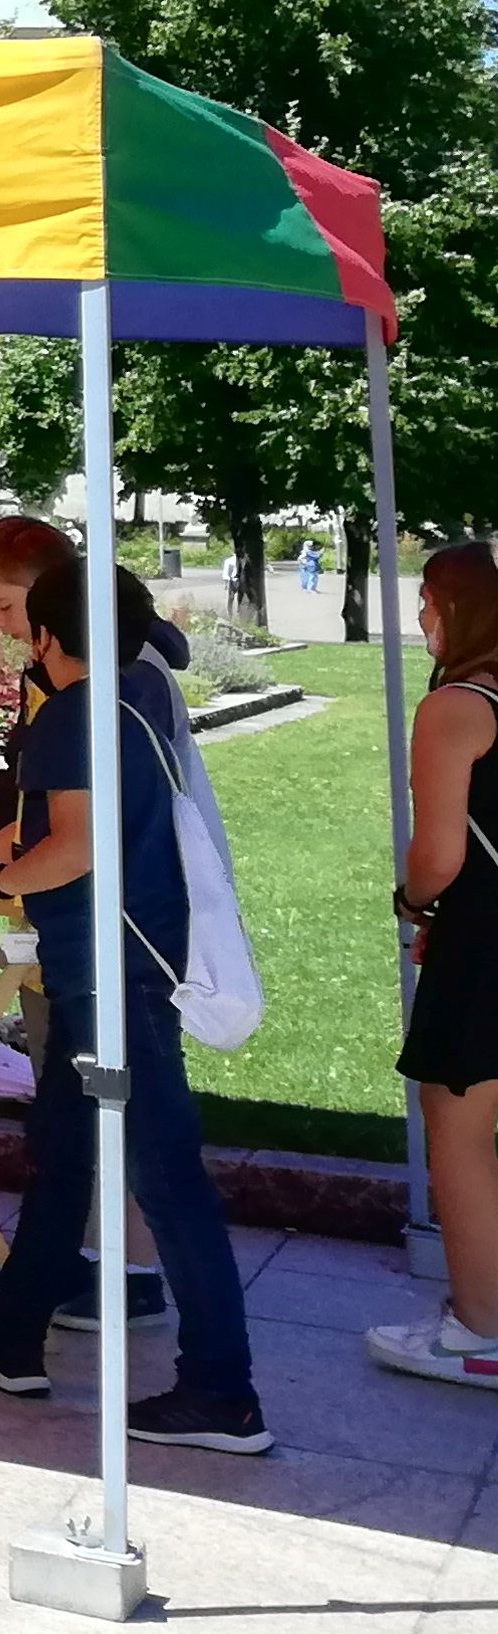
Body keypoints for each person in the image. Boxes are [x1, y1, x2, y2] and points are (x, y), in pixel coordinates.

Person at [0, 547, 268, 1452]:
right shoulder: (139, 691)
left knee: (164, 1174)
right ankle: (12, 1331)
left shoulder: (74, 714)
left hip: (109, 971)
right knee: (65, 1143)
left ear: (48, 634)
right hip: (127, 959)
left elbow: (72, 846)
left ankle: (222, 1390)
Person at [0, 514, 184, 1330]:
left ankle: (131, 1269)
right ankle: (69, 1268)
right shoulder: (78, 678)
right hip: (91, 925)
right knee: (75, 1108)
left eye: (5, 607)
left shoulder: (106, 686)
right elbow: (28, 789)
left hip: (110, 932)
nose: (0, 627)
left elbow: (74, 830)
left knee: (110, 1107)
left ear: (54, 604)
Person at [376, 541, 498, 1391]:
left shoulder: (458, 705)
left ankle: (480, 1329)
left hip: (484, 941)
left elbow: (439, 856)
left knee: (457, 1129)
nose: (421, 614)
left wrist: (413, 901)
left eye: (428, 598)